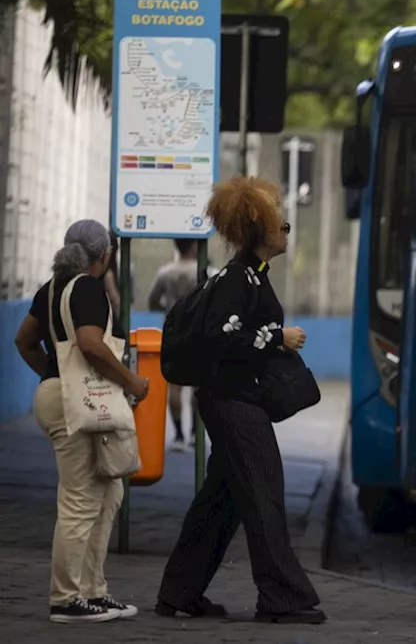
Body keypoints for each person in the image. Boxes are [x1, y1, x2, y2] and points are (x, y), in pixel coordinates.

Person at [155, 176, 324, 624]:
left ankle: (179, 592)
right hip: (233, 403)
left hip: (229, 399)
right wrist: (277, 337)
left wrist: (271, 339)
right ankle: (281, 598)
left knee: (222, 500)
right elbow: (222, 338)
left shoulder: (248, 276)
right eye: (281, 225)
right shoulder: (237, 279)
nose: (287, 230)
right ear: (260, 231)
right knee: (265, 493)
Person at [12, 219, 151, 623]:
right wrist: (132, 382)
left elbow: (24, 340)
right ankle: (66, 599)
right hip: (76, 403)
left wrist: (51, 374)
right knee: (80, 499)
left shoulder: (50, 289)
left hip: (62, 396)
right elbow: (90, 345)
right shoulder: (88, 288)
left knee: (109, 494)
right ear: (104, 256)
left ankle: (93, 590)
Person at [147, 239, 206, 451]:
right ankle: (194, 434)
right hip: (199, 334)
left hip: (173, 333)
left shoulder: (165, 272)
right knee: (199, 386)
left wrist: (168, 310)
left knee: (175, 386)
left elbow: (152, 300)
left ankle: (179, 435)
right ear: (192, 246)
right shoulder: (206, 272)